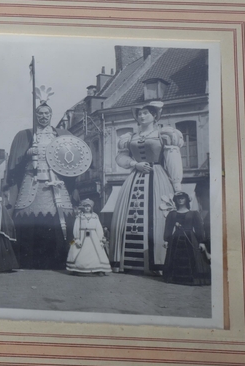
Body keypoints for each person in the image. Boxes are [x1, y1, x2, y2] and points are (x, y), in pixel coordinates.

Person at [109, 100, 184, 274]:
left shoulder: (164, 134)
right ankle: (127, 262)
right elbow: (120, 159)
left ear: (155, 116)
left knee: (157, 215)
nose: (142, 116)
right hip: (134, 177)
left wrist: (176, 185)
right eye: (140, 113)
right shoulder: (130, 137)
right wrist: (135, 164)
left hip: (158, 178)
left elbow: (173, 159)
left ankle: (158, 263)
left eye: (146, 113)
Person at [7, 101, 75, 270]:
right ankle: (27, 260)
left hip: (55, 182)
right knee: (27, 219)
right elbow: (15, 163)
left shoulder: (61, 134)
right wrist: (27, 154)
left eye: (46, 114)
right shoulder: (27, 135)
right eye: (40, 114)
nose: (43, 117)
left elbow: (72, 157)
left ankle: (59, 260)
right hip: (32, 181)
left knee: (60, 221)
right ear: (35, 116)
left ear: (51, 115)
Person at [163, 192, 211, 286]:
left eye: (182, 198)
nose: (180, 200)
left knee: (192, 258)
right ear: (175, 200)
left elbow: (199, 228)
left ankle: (193, 279)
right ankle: (174, 278)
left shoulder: (193, 214)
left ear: (186, 200)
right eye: (178, 198)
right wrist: (166, 240)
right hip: (175, 240)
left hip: (190, 238)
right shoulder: (172, 214)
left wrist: (201, 242)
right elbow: (168, 228)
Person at [66, 199, 111, 275]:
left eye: (89, 206)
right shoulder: (79, 217)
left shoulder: (95, 216)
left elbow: (98, 228)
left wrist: (100, 238)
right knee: (77, 250)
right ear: (83, 207)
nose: (87, 208)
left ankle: (97, 269)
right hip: (82, 236)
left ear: (91, 207)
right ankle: (78, 269)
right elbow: (76, 227)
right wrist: (77, 239)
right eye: (86, 206)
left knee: (96, 252)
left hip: (93, 236)